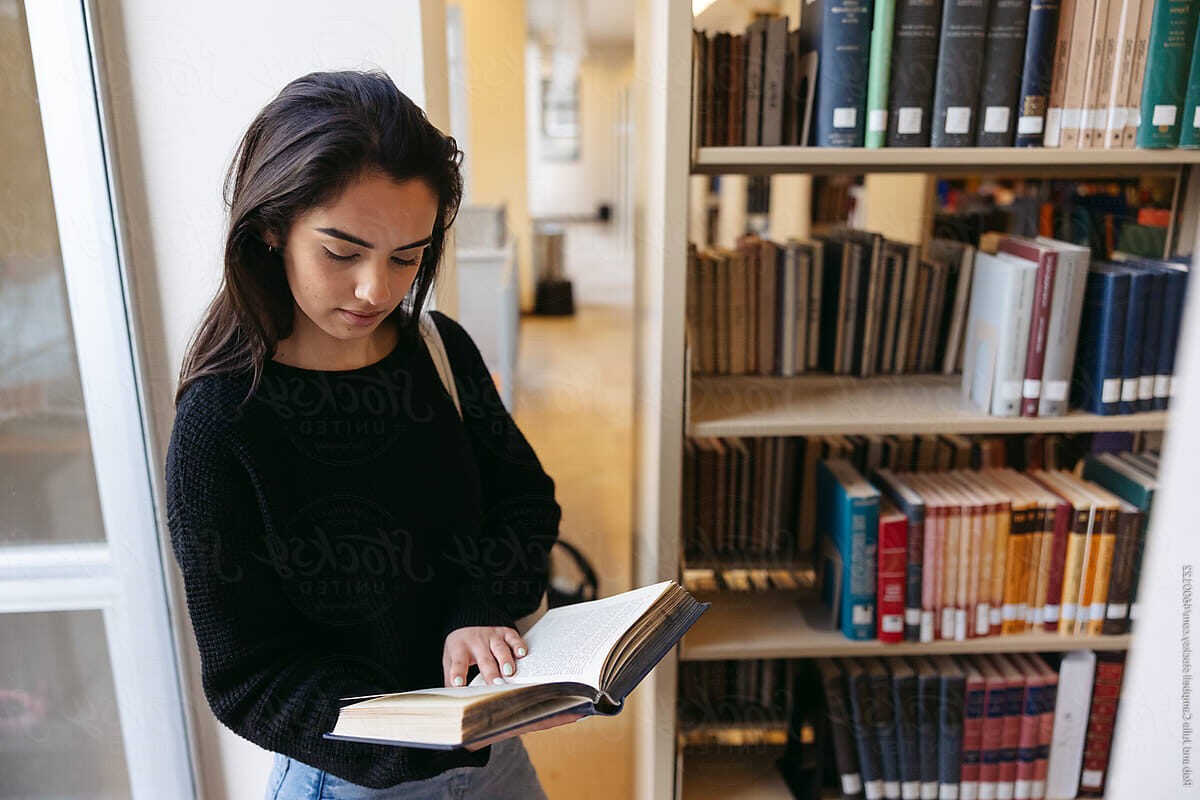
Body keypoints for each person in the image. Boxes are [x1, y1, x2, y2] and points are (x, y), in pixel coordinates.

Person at [164, 69, 581, 800]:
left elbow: (524, 502)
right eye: (342, 252)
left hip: (496, 760)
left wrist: (479, 611)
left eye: (407, 257)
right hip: (354, 783)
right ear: (270, 226)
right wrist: (430, 737)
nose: (376, 291)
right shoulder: (220, 424)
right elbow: (249, 678)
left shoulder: (440, 351)